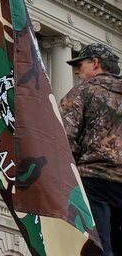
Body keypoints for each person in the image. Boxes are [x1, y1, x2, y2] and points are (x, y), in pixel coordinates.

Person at [59, 43, 122, 256]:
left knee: (97, 244)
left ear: (95, 63)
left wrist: (69, 173)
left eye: (80, 63)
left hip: (94, 180)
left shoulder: (82, 92)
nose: (77, 71)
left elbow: (65, 136)